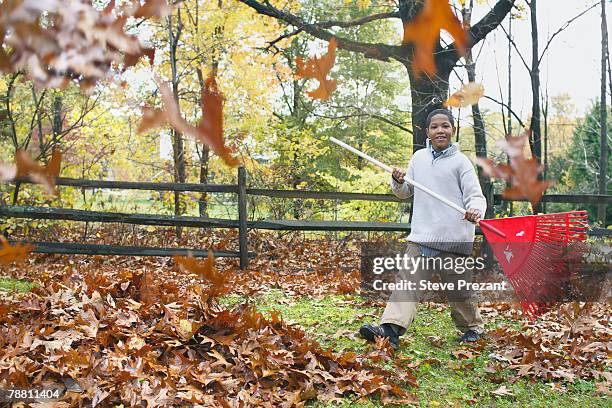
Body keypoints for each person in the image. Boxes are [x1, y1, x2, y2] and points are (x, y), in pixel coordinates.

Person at [359, 108, 486, 350]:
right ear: (427, 132)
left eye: (445, 126)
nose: (441, 130)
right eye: (435, 127)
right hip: (422, 237)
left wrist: (475, 212)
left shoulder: (461, 162)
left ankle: (473, 329)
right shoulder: (418, 158)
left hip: (454, 238)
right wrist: (398, 181)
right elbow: (405, 192)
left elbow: (475, 196)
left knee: (459, 290)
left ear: (453, 130)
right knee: (408, 283)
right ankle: (390, 330)